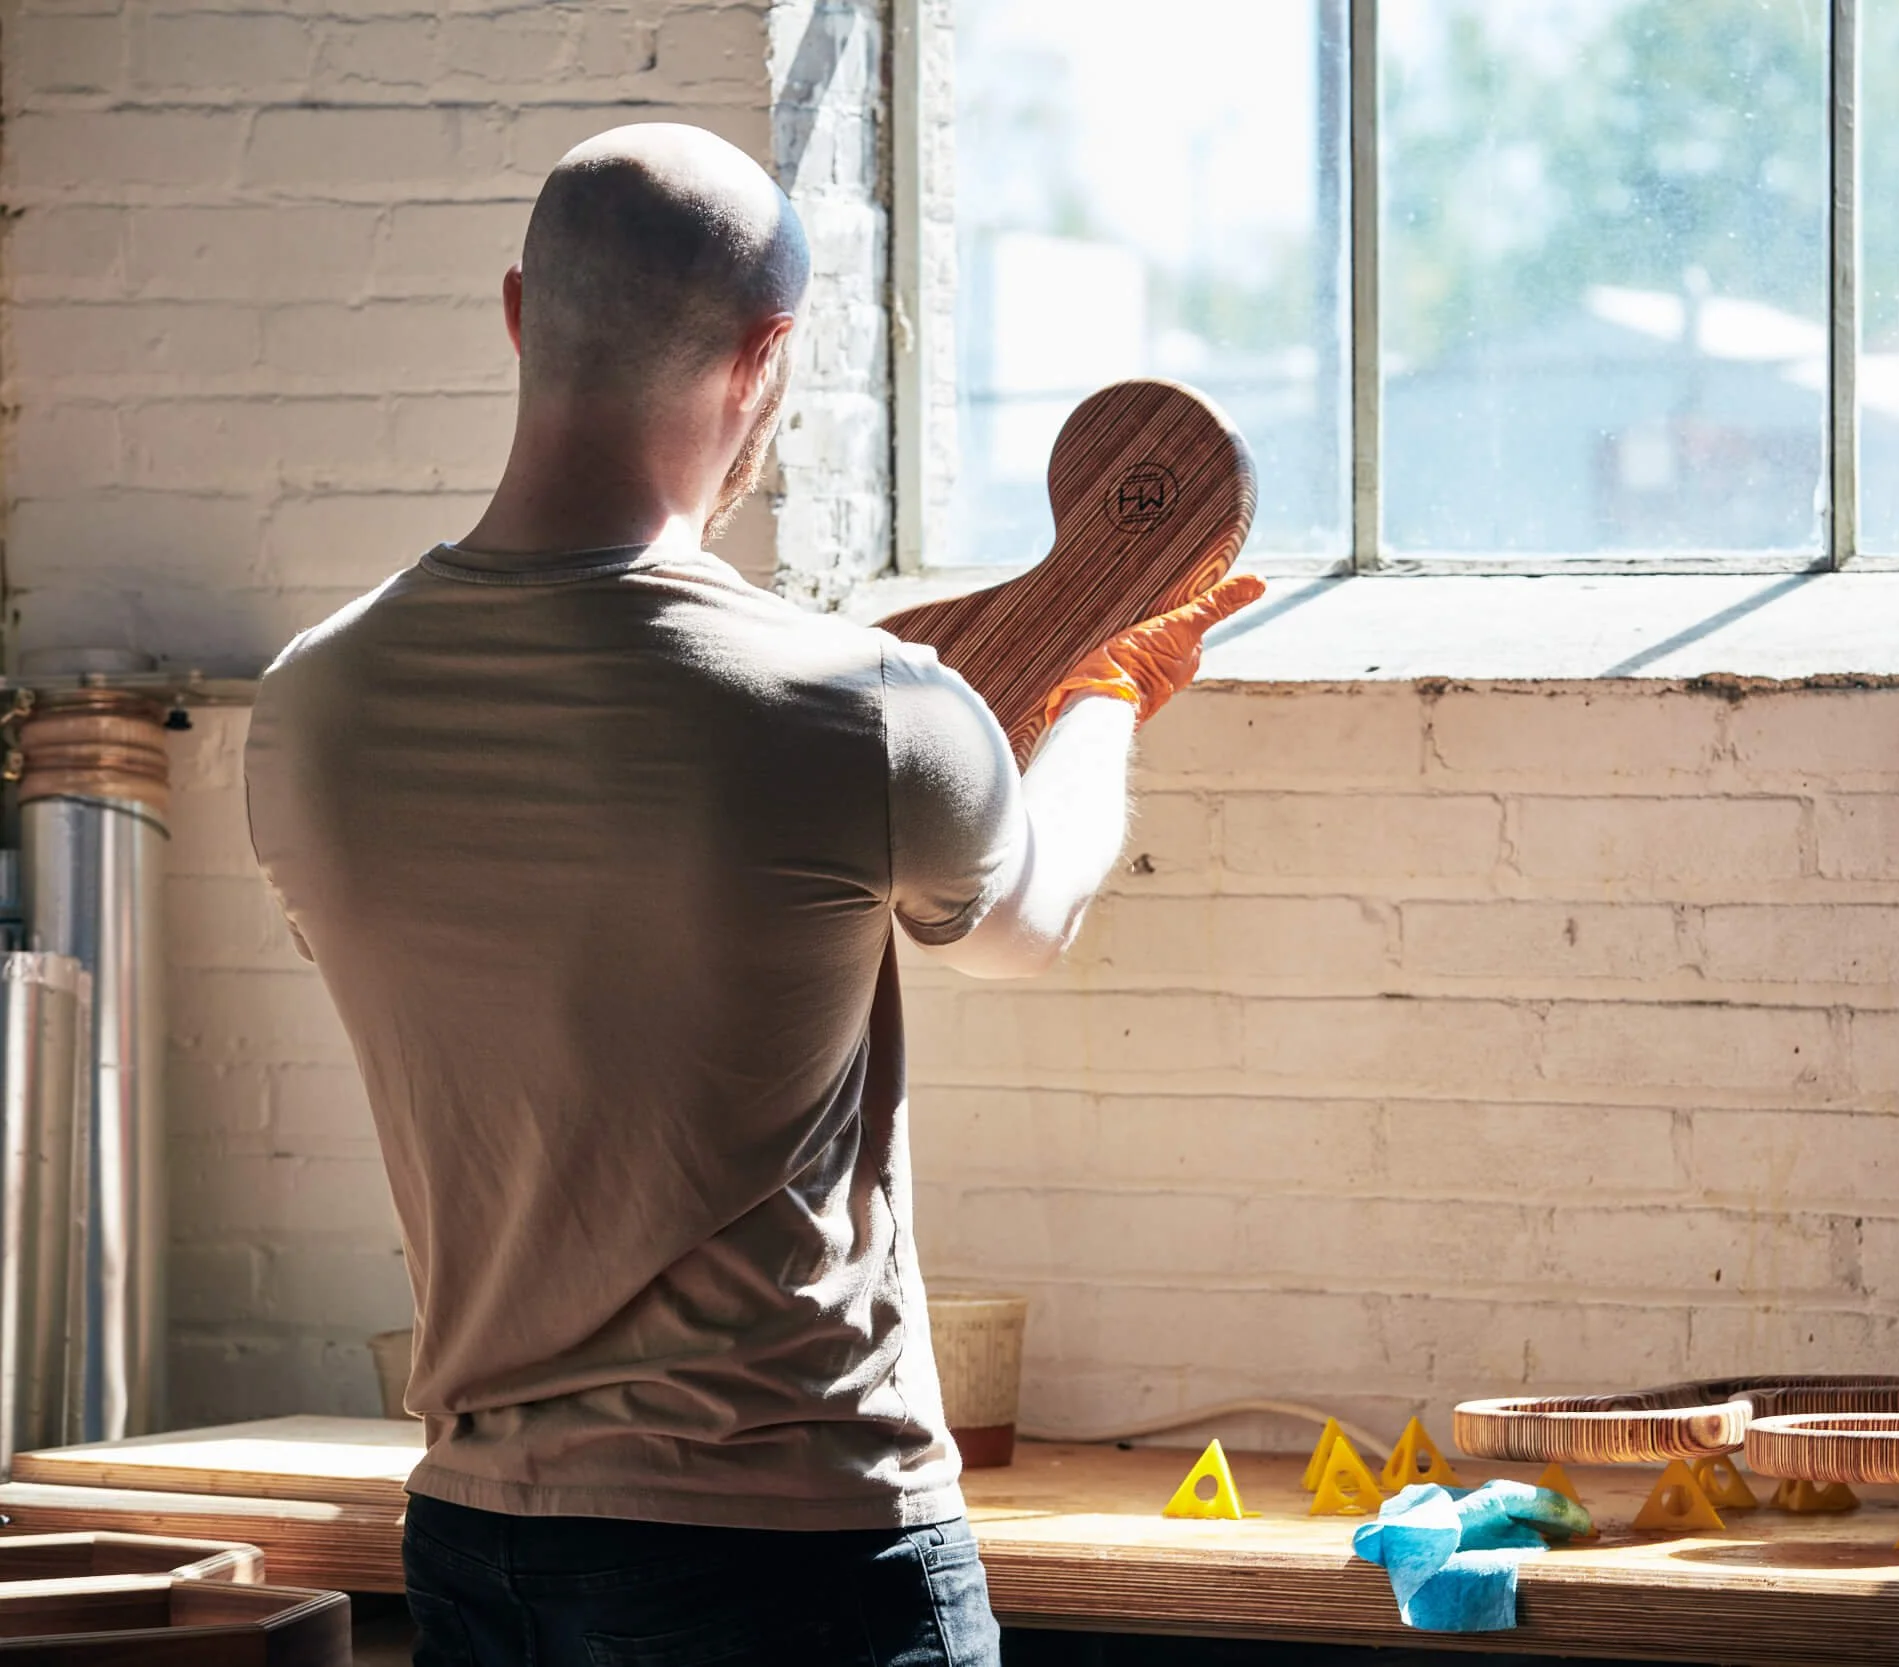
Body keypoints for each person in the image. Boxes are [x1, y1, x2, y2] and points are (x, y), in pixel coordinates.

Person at [245, 123, 1260, 1667]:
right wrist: (1110, 685)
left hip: (479, 1539)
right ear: (768, 356)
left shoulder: (313, 709)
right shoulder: (859, 707)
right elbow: (1027, 921)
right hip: (797, 1549)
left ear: (520, 311)